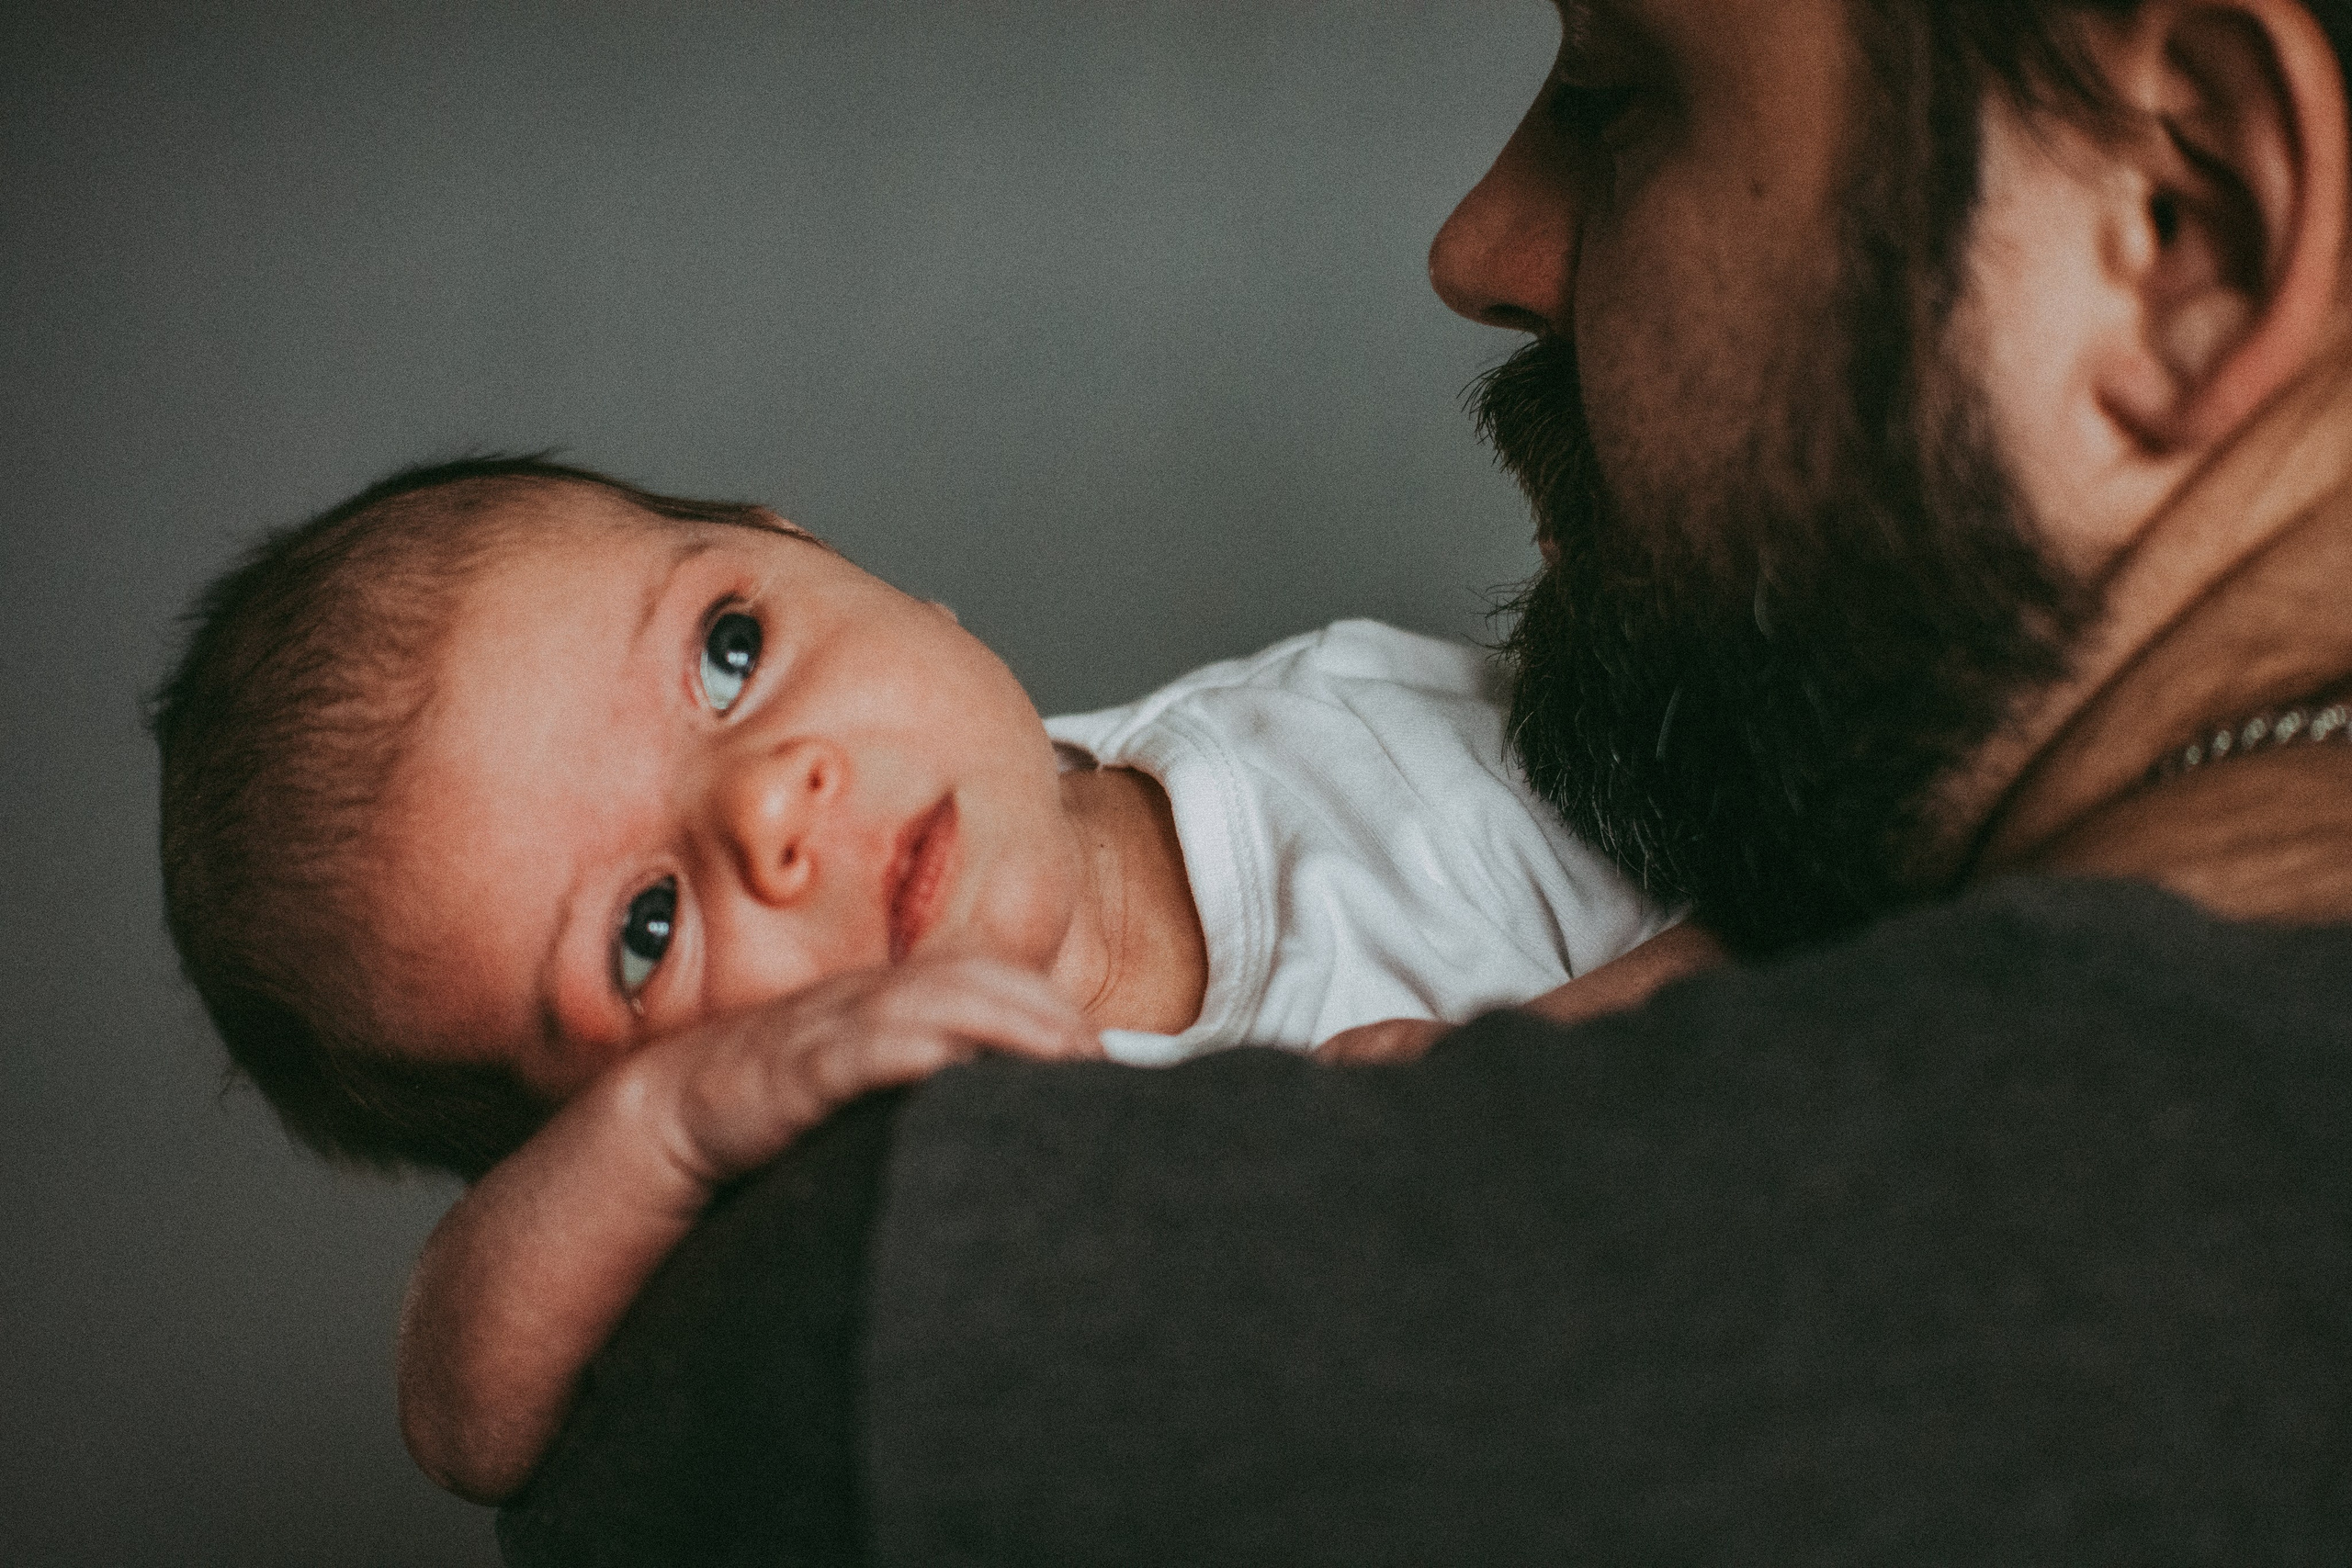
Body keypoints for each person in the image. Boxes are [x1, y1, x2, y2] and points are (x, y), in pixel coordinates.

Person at [489, 0, 2352, 1562]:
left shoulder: (917, 1354)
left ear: (2181, 227)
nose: (1473, 245)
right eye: (640, 923)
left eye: (1621, 93)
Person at [150, 457, 1683, 1500]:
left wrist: (1563, 1057)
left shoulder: (1338, 708)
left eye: (732, 651)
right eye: (645, 933)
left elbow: (1855, 899)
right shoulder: (956, 1167)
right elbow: (459, 1414)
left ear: (818, 551)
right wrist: (678, 1131)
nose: (768, 804)